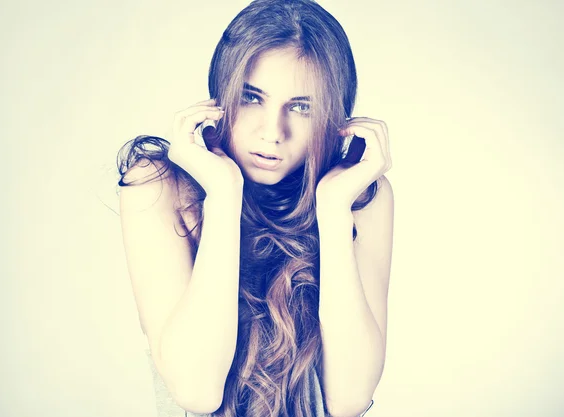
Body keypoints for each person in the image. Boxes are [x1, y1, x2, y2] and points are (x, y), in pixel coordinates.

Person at [117, 0, 393, 416]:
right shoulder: (158, 187)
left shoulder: (359, 197)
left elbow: (349, 399)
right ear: (222, 95)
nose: (271, 132)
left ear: (334, 116)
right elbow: (197, 390)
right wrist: (225, 194)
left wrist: (334, 211)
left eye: (302, 106)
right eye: (251, 98)